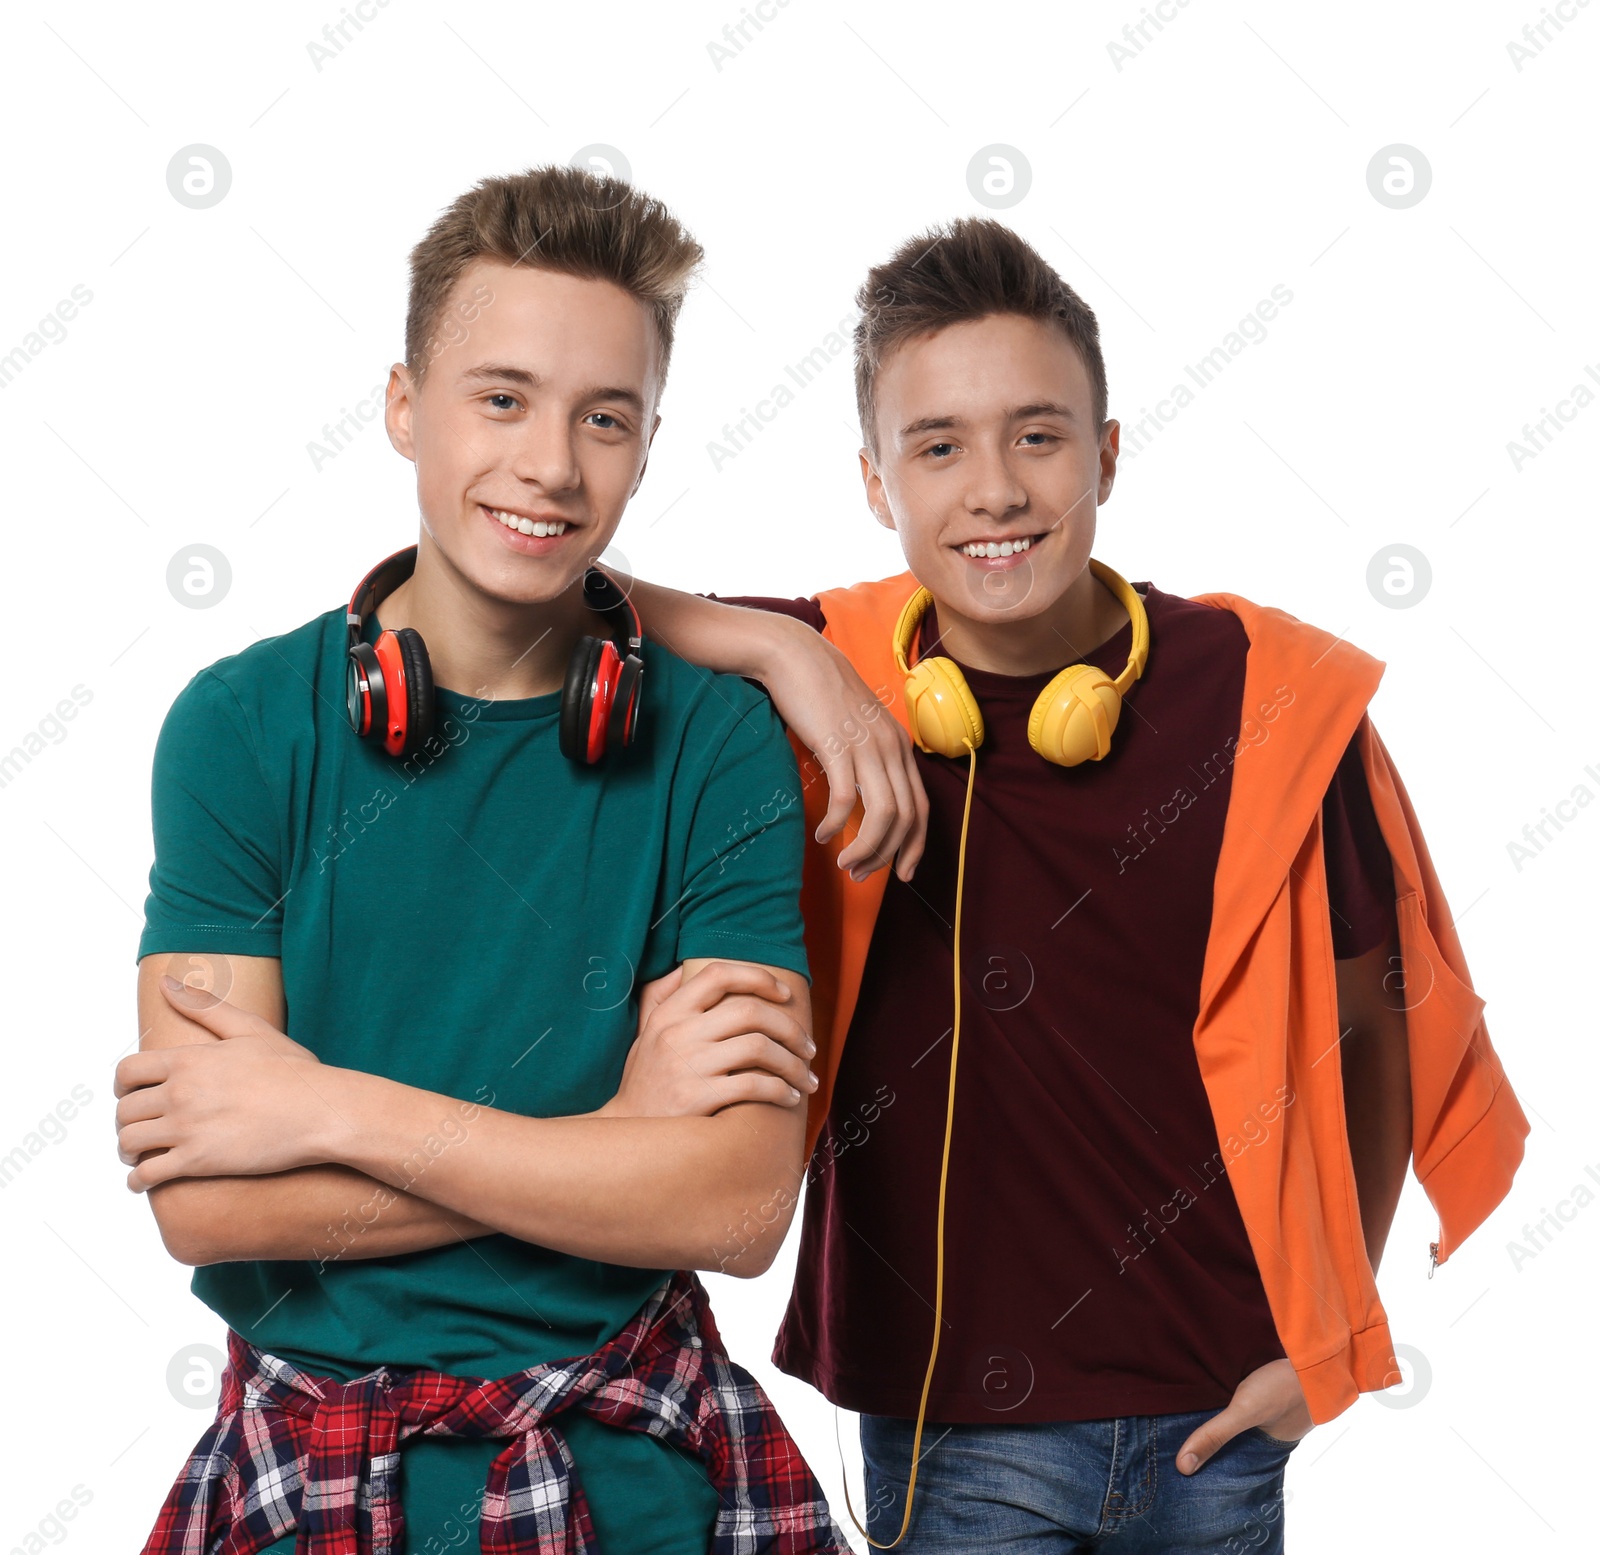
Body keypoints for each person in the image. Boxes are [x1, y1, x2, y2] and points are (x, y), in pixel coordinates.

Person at [619, 217, 1530, 1551]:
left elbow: (1373, 1026)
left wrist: (1324, 1344)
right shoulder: (837, 668)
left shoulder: (1266, 692)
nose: (993, 487)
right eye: (938, 446)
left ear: (1104, 455)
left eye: (1037, 435)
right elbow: (534, 596)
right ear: (878, 484)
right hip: (952, 1431)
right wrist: (789, 657)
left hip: (1219, 1416)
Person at [115, 165, 857, 1554]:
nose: (552, 466)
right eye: (501, 398)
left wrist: (324, 1110)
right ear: (406, 407)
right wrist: (618, 1147)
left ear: (647, 441)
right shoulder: (235, 729)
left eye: (606, 419)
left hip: (645, 1482)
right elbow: (211, 1204)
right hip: (309, 1481)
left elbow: (743, 1204)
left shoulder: (716, 746)